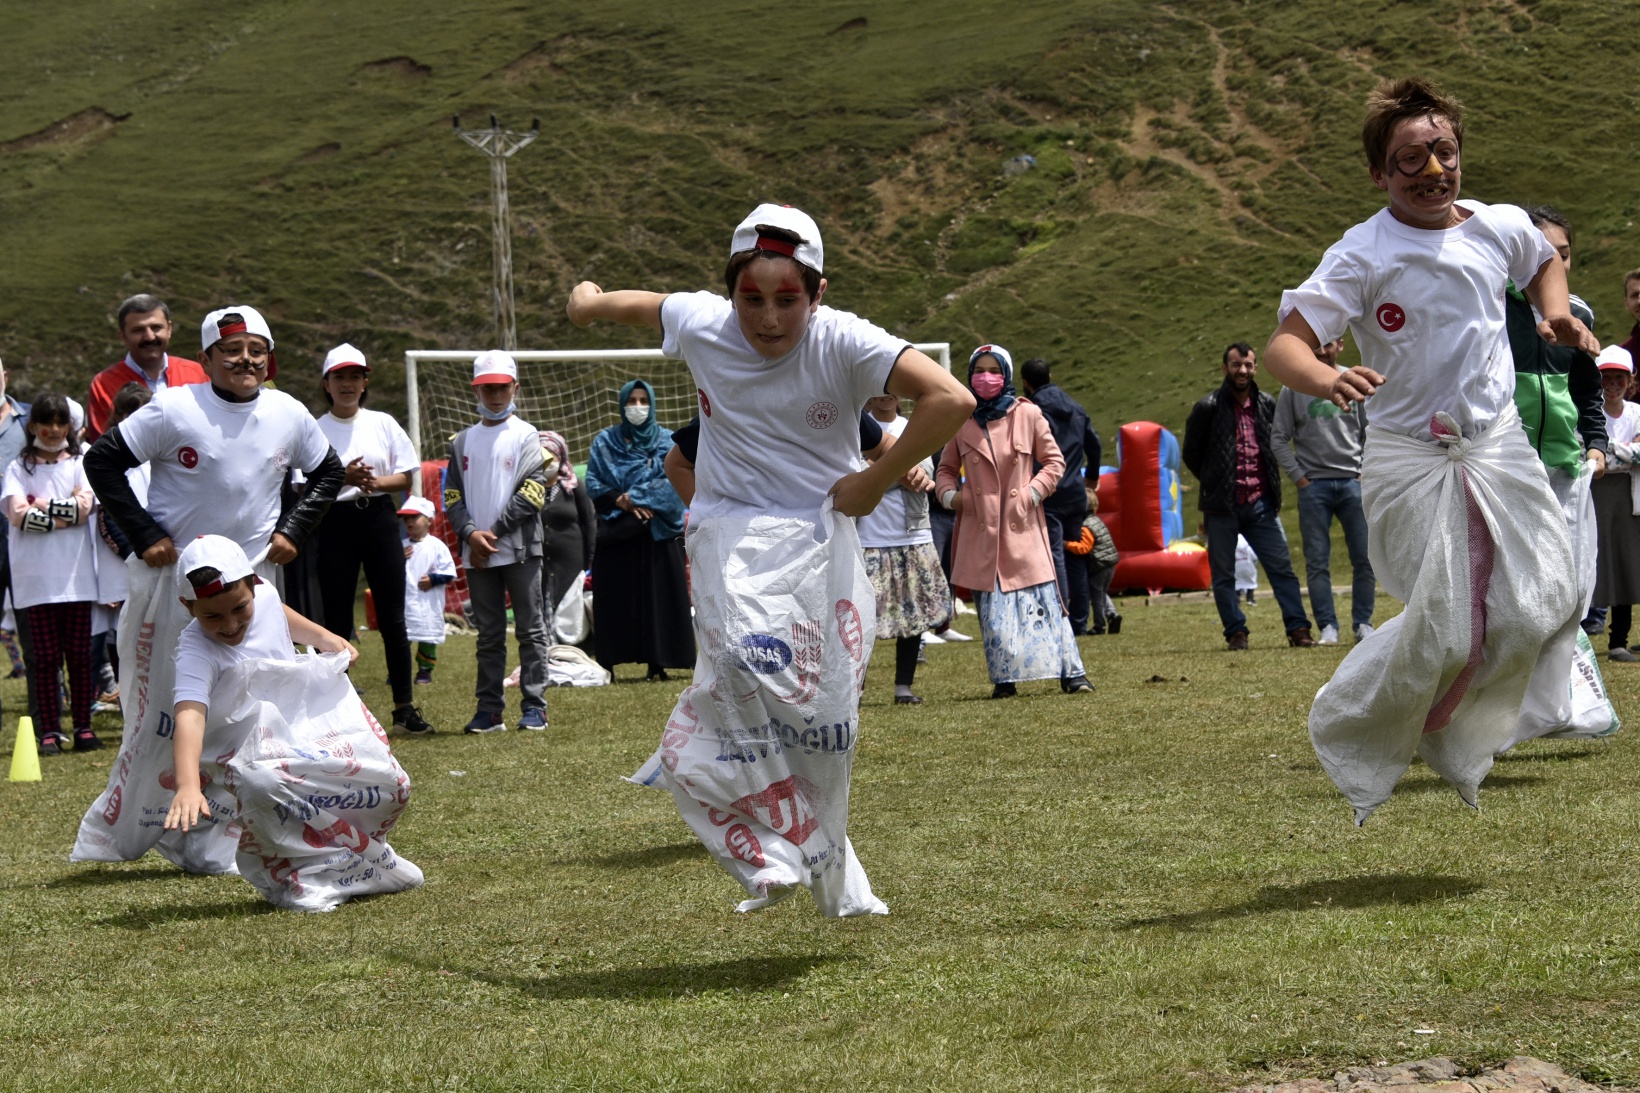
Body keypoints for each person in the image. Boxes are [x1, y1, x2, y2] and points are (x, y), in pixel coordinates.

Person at [567, 201, 972, 916]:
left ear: (818, 291)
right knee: (748, 671)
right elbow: (641, 305)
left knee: (825, 721)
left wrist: (873, 480)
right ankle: (756, 849)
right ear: (730, 292)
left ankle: (829, 868)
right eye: (751, 298)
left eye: (788, 299)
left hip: (821, 542)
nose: (769, 318)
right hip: (728, 534)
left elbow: (950, 397)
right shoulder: (703, 322)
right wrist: (589, 303)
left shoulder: (844, 341)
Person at [1262, 76, 1596, 822]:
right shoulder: (1361, 253)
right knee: (1446, 621)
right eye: (1409, 160)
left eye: (1442, 151)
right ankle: (1353, 707)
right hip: (1410, 456)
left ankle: (1449, 718)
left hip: (1498, 445)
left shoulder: (1497, 225)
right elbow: (1284, 349)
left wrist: (1553, 316)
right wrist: (1328, 374)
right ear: (1380, 174)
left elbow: (1543, 259)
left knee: (1548, 598)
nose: (1431, 170)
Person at [73, 304, 345, 874]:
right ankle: (140, 826)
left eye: (256, 350)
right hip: (177, 587)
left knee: (256, 708)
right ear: (205, 359)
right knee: (169, 712)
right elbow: (102, 461)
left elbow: (328, 473)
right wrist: (143, 533)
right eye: (230, 350)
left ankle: (243, 832)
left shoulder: (289, 413)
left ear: (269, 360)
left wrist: (293, 529)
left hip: (252, 585)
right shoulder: (174, 407)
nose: (244, 359)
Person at [161, 534, 424, 912]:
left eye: (239, 609)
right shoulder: (195, 651)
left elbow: (277, 611)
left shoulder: (263, 594)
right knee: (264, 785)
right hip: (245, 750)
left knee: (391, 781)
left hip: (302, 724)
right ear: (188, 607)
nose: (231, 625)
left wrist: (323, 637)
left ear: (253, 586)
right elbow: (189, 713)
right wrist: (187, 785)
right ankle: (297, 878)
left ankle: (363, 857)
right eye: (212, 616)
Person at [937, 344, 1094, 698]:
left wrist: (1031, 495)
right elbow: (945, 470)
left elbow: (1054, 463)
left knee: (1045, 603)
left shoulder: (1029, 414)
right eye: (980, 370)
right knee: (994, 613)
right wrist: (954, 498)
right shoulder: (959, 419)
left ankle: (1072, 674)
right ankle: (1004, 680)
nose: (986, 377)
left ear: (1006, 375)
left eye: (994, 370)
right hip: (981, 531)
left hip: (1023, 527)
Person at [310, 343, 433, 735]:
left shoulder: (382, 422)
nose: (347, 384)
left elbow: (406, 477)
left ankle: (404, 707)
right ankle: (339, 712)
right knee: (337, 618)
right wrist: (341, 478)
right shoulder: (314, 428)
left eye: (354, 376)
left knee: (393, 617)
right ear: (326, 384)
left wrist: (371, 482)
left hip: (379, 517)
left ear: (365, 382)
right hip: (333, 521)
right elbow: (303, 482)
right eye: (339, 377)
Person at [442, 350, 550, 733]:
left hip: (520, 549)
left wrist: (492, 534)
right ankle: (489, 712)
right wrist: (471, 534)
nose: (495, 394)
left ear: (515, 387)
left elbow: (534, 491)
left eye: (502, 386)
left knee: (530, 630)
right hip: (477, 553)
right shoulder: (462, 441)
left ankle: (535, 706)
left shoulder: (528, 436)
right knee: (487, 636)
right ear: (477, 390)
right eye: (487, 387)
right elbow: (450, 495)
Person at [1182, 342, 1316, 651]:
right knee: (1224, 574)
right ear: (1225, 368)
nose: (1242, 370)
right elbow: (1191, 452)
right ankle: (1236, 632)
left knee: (1281, 568)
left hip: (1261, 503)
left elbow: (1279, 441)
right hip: (1221, 507)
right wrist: (1215, 481)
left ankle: (1298, 629)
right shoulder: (1208, 407)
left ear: (1255, 368)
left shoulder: (1268, 404)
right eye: (1236, 365)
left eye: (1248, 365)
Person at [3, 394, 98, 755]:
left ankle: (83, 727)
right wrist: (62, 511)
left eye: (62, 423)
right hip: (34, 579)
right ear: (33, 426)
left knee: (79, 654)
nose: (55, 430)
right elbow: (17, 515)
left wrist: (39, 504)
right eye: (48, 422)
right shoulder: (18, 468)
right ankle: (49, 730)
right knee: (43, 658)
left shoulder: (79, 463)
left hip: (76, 578)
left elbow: (85, 509)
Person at [1270, 336, 1376, 645]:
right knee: (1317, 561)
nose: (1321, 350)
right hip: (1313, 487)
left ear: (1340, 345)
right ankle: (1328, 627)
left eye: (1328, 344)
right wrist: (1300, 477)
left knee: (1364, 557)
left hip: (1352, 483)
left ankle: (1363, 624)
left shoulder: (1354, 383)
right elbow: (1278, 437)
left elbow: (1372, 431)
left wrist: (1362, 471)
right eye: (1315, 344)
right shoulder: (1294, 387)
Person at [584, 380, 692, 680]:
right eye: (631, 401)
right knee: (615, 600)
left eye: (643, 400)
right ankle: (610, 662)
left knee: (659, 601)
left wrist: (634, 497)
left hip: (658, 533)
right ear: (621, 405)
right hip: (618, 534)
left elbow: (673, 482)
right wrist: (622, 502)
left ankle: (659, 662)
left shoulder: (670, 441)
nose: (637, 407)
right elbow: (594, 482)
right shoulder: (605, 442)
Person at [858, 392, 946, 704]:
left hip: (912, 536)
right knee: (859, 621)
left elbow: (926, 474)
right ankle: (856, 689)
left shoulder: (913, 427)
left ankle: (903, 688)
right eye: (879, 387)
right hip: (866, 537)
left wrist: (875, 470)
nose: (885, 394)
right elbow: (851, 474)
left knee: (913, 617)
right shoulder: (855, 427)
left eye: (891, 388)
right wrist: (900, 468)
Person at [1018, 357, 1102, 634]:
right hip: (1076, 492)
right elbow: (1095, 443)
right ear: (1050, 375)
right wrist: (1092, 477)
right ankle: (1079, 620)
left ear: (1026, 383)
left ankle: (1061, 617)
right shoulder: (1076, 408)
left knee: (1055, 554)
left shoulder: (1032, 410)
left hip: (1047, 490)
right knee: (1077, 553)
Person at [88, 383, 153, 715]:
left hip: (159, 561)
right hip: (126, 562)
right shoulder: (109, 458)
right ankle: (130, 706)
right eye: (132, 414)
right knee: (125, 639)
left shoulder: (161, 458)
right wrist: (138, 551)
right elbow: (106, 520)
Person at [85, 294, 208, 442]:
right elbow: (103, 447)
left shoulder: (199, 374)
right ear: (123, 336)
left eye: (156, 328)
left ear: (169, 329)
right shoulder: (103, 384)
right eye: (138, 330)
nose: (149, 337)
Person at [1590, 346, 1640, 661]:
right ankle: (1581, 634)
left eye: (1618, 377)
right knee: (1594, 563)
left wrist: (1608, 451)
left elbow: (1603, 454)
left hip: (1629, 497)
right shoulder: (1590, 412)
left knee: (1625, 564)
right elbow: (1586, 450)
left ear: (1629, 381)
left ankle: (1618, 641)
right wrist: (1628, 450)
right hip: (1595, 495)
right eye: (1605, 377)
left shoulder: (1636, 413)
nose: (1612, 384)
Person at [537, 430, 595, 644]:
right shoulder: (529, 488)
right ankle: (548, 651)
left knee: (571, 604)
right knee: (545, 602)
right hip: (541, 561)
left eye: (551, 456)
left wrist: (591, 557)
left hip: (572, 561)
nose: (547, 462)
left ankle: (582, 649)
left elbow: (589, 521)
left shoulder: (574, 487)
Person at [398, 496, 457, 683]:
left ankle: (425, 670)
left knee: (427, 635)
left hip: (428, 601)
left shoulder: (437, 546)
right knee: (401, 638)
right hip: (405, 601)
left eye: (414, 517)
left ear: (429, 520)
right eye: (406, 518)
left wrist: (433, 579)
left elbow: (449, 572)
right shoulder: (401, 546)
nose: (409, 521)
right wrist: (398, 559)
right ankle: (398, 670)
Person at [1063, 483, 1120, 634]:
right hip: (1110, 563)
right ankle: (1113, 614)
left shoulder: (1086, 526)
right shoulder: (1097, 521)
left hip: (1100, 566)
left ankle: (1099, 626)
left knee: (1096, 597)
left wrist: (1066, 544)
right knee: (1101, 592)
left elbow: (1085, 547)